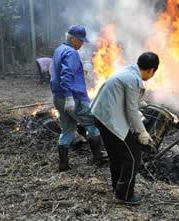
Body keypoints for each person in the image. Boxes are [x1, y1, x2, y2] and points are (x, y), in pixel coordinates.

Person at [90, 52, 159, 205]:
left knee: (116, 154)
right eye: (153, 73)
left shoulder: (128, 71)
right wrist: (142, 132)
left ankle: (118, 187)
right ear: (151, 70)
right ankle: (125, 194)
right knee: (133, 157)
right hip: (109, 119)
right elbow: (131, 110)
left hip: (101, 115)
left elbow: (127, 100)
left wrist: (140, 106)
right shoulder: (133, 79)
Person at [50, 24, 107, 171]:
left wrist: (82, 69)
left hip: (58, 97)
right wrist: (69, 97)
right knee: (93, 124)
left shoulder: (59, 50)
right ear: (72, 38)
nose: (82, 43)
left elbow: (56, 72)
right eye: (80, 40)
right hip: (74, 98)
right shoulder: (71, 53)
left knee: (67, 129)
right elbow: (66, 75)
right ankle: (98, 159)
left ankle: (63, 165)